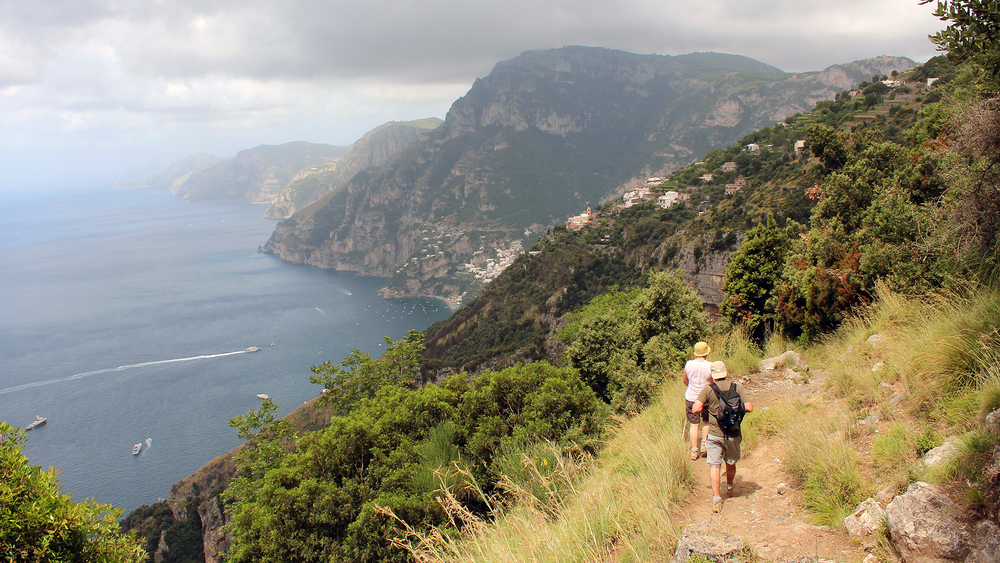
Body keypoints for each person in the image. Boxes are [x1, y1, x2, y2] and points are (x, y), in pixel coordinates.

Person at [692, 360, 753, 513]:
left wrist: (709, 406)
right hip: (733, 432)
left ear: (713, 375)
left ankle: (717, 499)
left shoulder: (708, 389)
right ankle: (730, 487)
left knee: (715, 465)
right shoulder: (737, 387)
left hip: (715, 433)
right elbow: (749, 407)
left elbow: (695, 409)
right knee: (731, 462)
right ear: (726, 373)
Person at [682, 341, 712, 460]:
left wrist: (692, 387)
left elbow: (685, 380)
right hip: (706, 398)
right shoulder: (710, 365)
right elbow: (713, 382)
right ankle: (704, 444)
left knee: (694, 424)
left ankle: (694, 450)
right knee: (706, 421)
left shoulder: (689, 364)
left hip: (691, 397)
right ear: (706, 352)